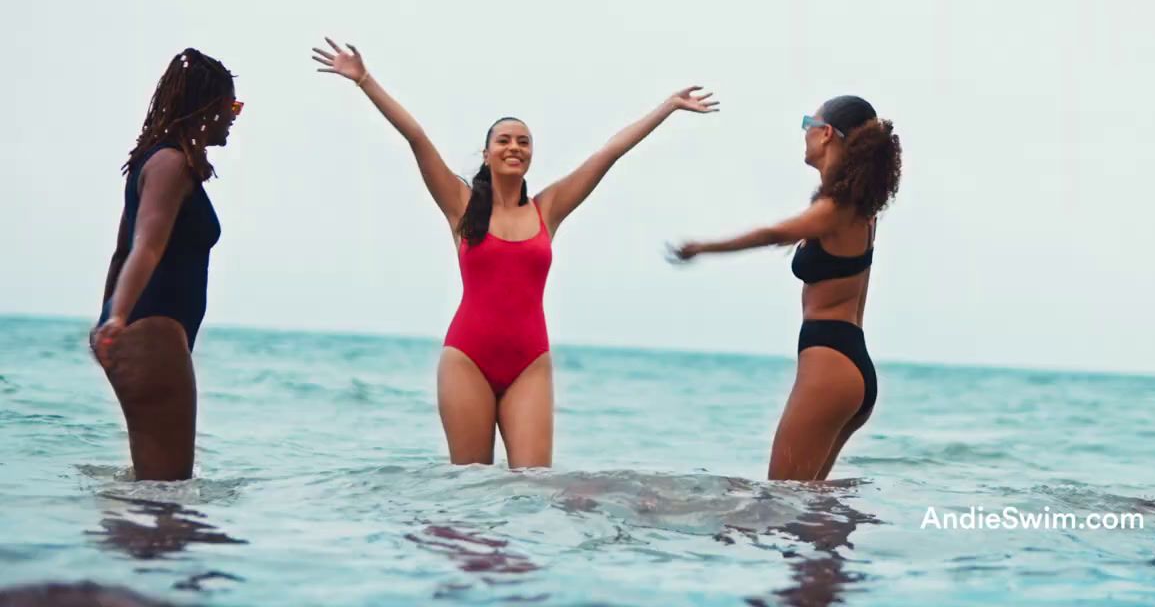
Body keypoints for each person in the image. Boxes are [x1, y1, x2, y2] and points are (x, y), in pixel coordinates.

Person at [311, 37, 717, 468]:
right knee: (472, 490)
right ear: (487, 154)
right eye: (504, 140)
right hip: (467, 357)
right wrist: (365, 80)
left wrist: (667, 106)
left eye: (523, 142)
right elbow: (416, 137)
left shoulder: (549, 208)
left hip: (530, 363)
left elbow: (608, 153)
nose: (514, 147)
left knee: (534, 489)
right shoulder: (460, 205)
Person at [669, 96, 900, 480]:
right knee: (808, 509)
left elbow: (774, 233)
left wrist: (704, 247)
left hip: (830, 364)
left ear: (826, 134)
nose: (804, 132)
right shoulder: (856, 207)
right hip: (849, 365)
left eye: (808, 122)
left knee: (780, 501)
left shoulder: (837, 210)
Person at [91, 48, 241, 481]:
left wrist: (110, 318)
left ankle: (121, 547)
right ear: (206, 108)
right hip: (153, 334)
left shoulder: (156, 160)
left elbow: (122, 250)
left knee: (152, 489)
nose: (234, 117)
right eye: (230, 106)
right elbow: (144, 248)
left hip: (145, 334)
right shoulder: (171, 164)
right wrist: (116, 318)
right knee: (168, 491)